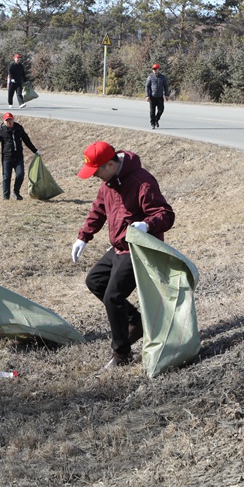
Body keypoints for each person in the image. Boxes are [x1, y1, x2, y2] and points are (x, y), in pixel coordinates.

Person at [71, 141, 175, 371]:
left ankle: (121, 353)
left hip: (139, 248)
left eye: (97, 170)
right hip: (119, 246)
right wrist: (83, 237)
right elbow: (98, 208)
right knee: (95, 281)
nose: (95, 176)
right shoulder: (109, 182)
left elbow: (165, 214)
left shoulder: (142, 181)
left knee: (113, 296)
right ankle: (134, 322)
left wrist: (147, 226)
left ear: (110, 164)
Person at [0, 112, 40, 200]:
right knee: (6, 177)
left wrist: (35, 151)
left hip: (18, 157)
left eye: (10, 120)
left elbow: (26, 140)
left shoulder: (19, 128)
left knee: (20, 175)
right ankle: (6, 196)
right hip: (7, 158)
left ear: (13, 119)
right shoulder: (1, 131)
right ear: (4, 121)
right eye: (7, 120)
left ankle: (16, 192)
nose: (9, 122)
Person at [145, 63, 170, 129]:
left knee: (161, 110)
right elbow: (147, 87)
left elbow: (166, 86)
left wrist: (166, 95)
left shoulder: (162, 77)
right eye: (153, 69)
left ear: (158, 69)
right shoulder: (150, 77)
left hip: (160, 97)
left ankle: (156, 119)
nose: (155, 70)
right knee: (152, 111)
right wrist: (147, 96)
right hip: (152, 97)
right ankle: (152, 123)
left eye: (156, 69)